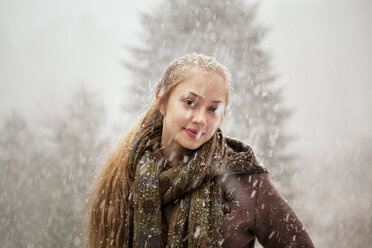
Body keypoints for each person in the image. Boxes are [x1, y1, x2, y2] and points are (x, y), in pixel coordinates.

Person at [86, 54, 314, 248]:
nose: (200, 119)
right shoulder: (126, 174)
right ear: (162, 101)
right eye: (189, 103)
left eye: (213, 109)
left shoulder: (246, 180)